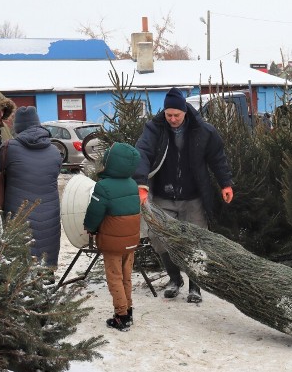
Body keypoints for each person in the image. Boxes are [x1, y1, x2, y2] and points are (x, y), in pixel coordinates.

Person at [134, 87, 234, 303]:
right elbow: (142, 152)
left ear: (185, 112)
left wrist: (226, 183)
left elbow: (218, 158)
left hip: (193, 196)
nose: (172, 119)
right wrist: (141, 184)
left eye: (176, 115)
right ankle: (174, 279)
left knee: (196, 241)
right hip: (163, 194)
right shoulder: (155, 128)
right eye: (168, 115)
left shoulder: (203, 130)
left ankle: (194, 286)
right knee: (159, 239)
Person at [0, 106, 63, 266]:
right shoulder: (55, 152)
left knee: (20, 268)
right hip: (51, 217)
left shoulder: (10, 147)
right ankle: (47, 283)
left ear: (18, 127)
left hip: (19, 216)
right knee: (45, 264)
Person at [83, 142, 142, 332]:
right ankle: (129, 310)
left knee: (114, 277)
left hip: (112, 243)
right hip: (130, 241)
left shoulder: (103, 187)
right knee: (126, 276)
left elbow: (95, 212)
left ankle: (121, 316)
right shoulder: (132, 184)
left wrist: (90, 228)